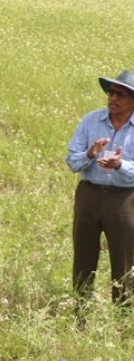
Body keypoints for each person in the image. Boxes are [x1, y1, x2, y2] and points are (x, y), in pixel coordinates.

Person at [66, 69, 134, 306]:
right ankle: (80, 310)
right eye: (111, 92)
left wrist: (120, 166)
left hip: (125, 200)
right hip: (89, 195)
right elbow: (72, 161)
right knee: (83, 256)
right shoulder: (90, 121)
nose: (113, 98)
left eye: (121, 94)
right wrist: (90, 154)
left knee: (125, 259)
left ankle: (123, 316)